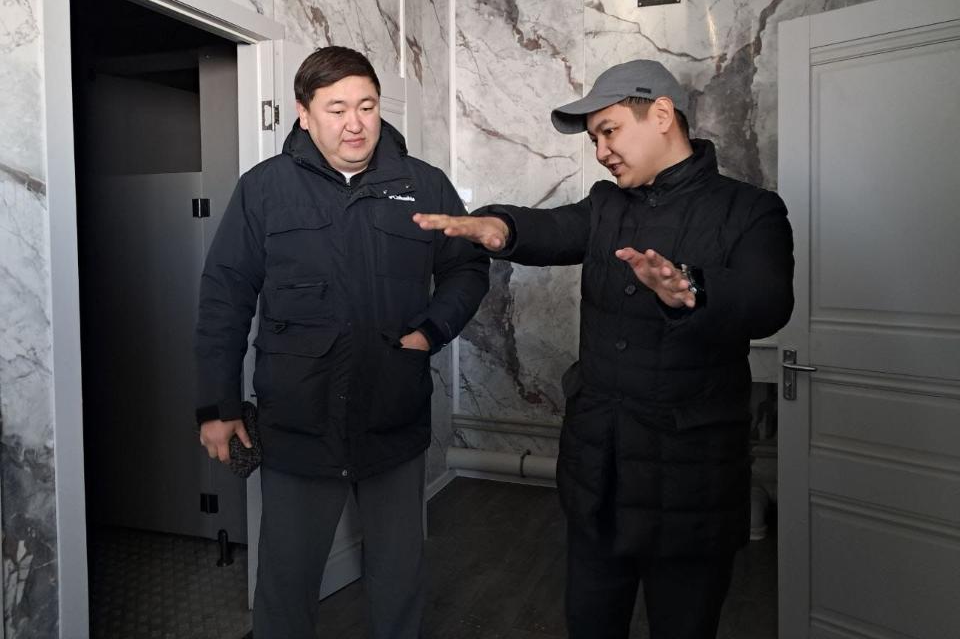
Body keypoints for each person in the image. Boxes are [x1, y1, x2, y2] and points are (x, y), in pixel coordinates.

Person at [412, 59, 794, 639]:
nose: (601, 151)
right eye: (594, 139)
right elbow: (552, 229)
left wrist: (692, 287)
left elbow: (769, 301)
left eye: (608, 131)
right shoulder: (607, 205)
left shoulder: (750, 209)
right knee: (591, 621)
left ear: (661, 114)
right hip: (599, 473)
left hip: (690, 482)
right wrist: (501, 228)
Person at [195, 46, 489, 639]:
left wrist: (431, 330)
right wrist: (217, 407)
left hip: (392, 416)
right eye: (336, 109)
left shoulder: (423, 185)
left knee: (399, 573)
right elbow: (225, 297)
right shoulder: (264, 190)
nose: (355, 123)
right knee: (286, 581)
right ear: (304, 114)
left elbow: (467, 267)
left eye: (367, 106)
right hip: (298, 424)